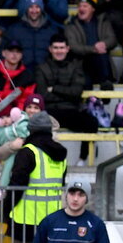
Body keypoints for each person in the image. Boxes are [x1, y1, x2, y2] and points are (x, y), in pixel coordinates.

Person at [4, 110, 68, 243]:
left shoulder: (28, 152)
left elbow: (16, 187)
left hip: (25, 222)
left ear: (31, 130)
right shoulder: (61, 156)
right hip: (52, 222)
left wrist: (5, 212)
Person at [34, 33, 97, 165]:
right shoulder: (42, 68)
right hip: (51, 112)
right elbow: (42, 94)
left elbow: (77, 92)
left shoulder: (75, 66)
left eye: (62, 48)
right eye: (56, 48)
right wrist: (66, 94)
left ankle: (83, 159)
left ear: (68, 48)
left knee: (91, 122)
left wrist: (54, 88)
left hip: (71, 110)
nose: (59, 51)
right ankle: (44, 159)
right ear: (50, 49)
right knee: (36, 124)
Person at [64, 0, 117, 90]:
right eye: (80, 6)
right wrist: (93, 49)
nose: (81, 9)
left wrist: (103, 44)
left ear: (93, 9)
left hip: (100, 63)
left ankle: (105, 84)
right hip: (81, 64)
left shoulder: (103, 22)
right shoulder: (71, 25)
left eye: (85, 6)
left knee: (101, 55)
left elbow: (112, 39)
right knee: (93, 56)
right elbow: (74, 46)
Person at [0, 38, 36, 123]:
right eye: (11, 51)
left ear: (21, 55)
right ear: (3, 53)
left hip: (18, 116)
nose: (14, 54)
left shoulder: (28, 76)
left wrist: (14, 116)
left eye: (18, 51)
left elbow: (26, 100)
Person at [3, 0, 61, 73]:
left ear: (41, 9)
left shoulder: (52, 30)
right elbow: (2, 52)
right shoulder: (14, 29)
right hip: (21, 75)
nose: (34, 10)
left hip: (46, 75)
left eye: (37, 7)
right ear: (26, 9)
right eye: (31, 7)